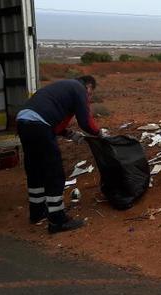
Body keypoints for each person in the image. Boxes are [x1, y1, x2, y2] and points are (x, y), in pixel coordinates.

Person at [16, 75, 100, 234]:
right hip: (39, 125)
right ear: (88, 86)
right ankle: (57, 220)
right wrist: (99, 134)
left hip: (23, 122)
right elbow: (85, 121)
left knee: (35, 171)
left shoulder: (63, 87)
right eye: (90, 93)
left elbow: (52, 117)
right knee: (54, 173)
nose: (89, 97)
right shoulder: (79, 89)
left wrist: (70, 134)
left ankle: (37, 212)